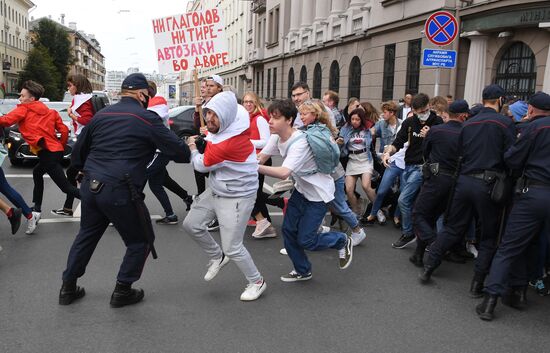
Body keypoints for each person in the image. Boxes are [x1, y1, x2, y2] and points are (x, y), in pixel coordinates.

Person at [59, 73, 190, 307]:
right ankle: (123, 290)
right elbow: (180, 153)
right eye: (147, 95)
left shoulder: (101, 115)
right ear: (142, 94)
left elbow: (78, 152)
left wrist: (79, 173)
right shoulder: (146, 118)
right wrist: (188, 144)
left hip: (91, 185)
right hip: (120, 189)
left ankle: (67, 287)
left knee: (86, 236)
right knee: (141, 240)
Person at [420, 84, 517, 298]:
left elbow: (461, 152)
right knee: (489, 236)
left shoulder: (469, 124)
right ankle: (477, 284)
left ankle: (429, 267)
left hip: (464, 182)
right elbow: (512, 156)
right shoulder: (505, 123)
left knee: (453, 227)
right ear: (500, 100)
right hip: (489, 185)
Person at [182, 91, 266, 302]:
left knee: (233, 247)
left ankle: (257, 282)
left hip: (237, 197)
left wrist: (193, 147)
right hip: (219, 189)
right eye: (209, 112)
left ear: (227, 117)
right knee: (191, 224)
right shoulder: (229, 124)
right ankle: (217, 256)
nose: (209, 118)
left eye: (214, 115)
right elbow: (212, 139)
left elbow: (200, 165)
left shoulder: (227, 143)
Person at [258, 99, 353, 282]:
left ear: (289, 120)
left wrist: (253, 167)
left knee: (306, 240)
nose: (270, 121)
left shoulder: (300, 142)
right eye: (270, 117)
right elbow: (261, 158)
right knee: (288, 231)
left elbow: (284, 172)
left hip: (318, 195)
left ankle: (342, 240)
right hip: (301, 191)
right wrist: (240, 161)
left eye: (275, 117)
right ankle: (303, 270)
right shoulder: (276, 136)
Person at [476, 92, 550, 321]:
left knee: (509, 247)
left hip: (533, 193)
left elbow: (513, 159)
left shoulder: (532, 129)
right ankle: (518, 292)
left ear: (530, 110)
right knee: (533, 244)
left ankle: (490, 301)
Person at [0, 80, 80, 229]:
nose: (20, 99)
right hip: (54, 152)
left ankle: (101, 204)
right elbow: (63, 130)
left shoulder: (24, 109)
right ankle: (36, 208)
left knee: (66, 188)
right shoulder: (50, 112)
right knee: (37, 172)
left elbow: (6, 121)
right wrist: (60, 146)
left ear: (31, 99)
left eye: (22, 96)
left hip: (47, 154)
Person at [409, 100, 469, 267]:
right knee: (432, 217)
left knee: (419, 214)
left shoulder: (436, 130)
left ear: (448, 114)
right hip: (456, 181)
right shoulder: (467, 132)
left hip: (436, 178)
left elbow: (426, 152)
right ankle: (418, 255)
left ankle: (435, 244)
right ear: (463, 115)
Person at [382, 93, 443, 249]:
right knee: (415, 204)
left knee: (404, 200)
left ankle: (414, 234)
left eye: (423, 111)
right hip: (408, 167)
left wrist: (430, 135)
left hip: (424, 167)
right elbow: (398, 142)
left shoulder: (437, 122)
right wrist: (388, 152)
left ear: (429, 106)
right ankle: (422, 236)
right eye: (417, 112)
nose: (421, 115)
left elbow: (442, 146)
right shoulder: (410, 122)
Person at [146, 81, 193, 224]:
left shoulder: (157, 101)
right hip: (158, 149)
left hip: (160, 150)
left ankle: (126, 210)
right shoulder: (151, 101)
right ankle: (186, 198)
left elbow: (149, 118)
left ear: (148, 91)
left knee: (141, 174)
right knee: (162, 180)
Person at [52, 74, 94, 217]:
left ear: (77, 85)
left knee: (78, 173)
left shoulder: (83, 100)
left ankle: (99, 206)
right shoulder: (83, 98)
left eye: (70, 85)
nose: (68, 88)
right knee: (76, 173)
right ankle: (68, 207)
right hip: (84, 140)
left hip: (84, 140)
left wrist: (72, 115)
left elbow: (88, 120)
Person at [362, 100, 402, 226]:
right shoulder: (381, 124)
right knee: (382, 188)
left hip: (400, 161)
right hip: (386, 162)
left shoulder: (402, 124)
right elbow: (371, 132)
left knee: (401, 189)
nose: (382, 114)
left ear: (392, 113)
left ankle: (395, 213)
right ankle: (374, 213)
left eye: (385, 112)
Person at [242, 91, 276, 238]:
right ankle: (266, 222)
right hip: (251, 159)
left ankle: (264, 222)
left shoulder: (259, 119)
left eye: (251, 101)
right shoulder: (247, 118)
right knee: (255, 193)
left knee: (249, 193)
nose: (248, 104)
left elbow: (266, 141)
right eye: (245, 102)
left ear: (256, 103)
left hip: (260, 159)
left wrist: (245, 141)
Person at [193, 74, 225, 231]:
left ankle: (219, 215)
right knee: (201, 172)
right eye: (206, 85)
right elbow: (198, 124)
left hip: (218, 145)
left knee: (217, 179)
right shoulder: (206, 103)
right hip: (207, 143)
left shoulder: (221, 103)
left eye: (211, 85)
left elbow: (223, 124)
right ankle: (203, 202)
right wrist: (197, 109)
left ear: (219, 87)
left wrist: (212, 129)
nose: (207, 88)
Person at [339, 108, 376, 215]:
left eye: (357, 119)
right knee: (349, 189)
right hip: (352, 160)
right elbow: (341, 141)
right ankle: (355, 211)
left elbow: (375, 130)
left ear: (362, 120)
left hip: (365, 159)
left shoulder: (367, 129)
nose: (354, 121)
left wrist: (373, 132)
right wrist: (339, 142)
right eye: (352, 119)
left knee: (366, 186)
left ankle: (377, 209)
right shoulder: (345, 129)